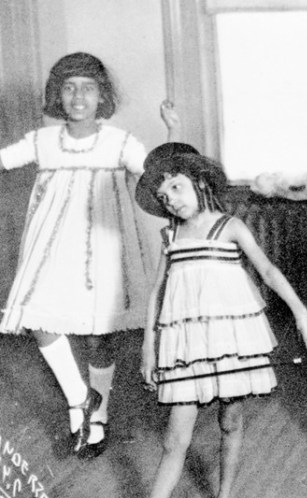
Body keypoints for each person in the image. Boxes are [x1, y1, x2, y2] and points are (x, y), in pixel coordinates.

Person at [91, 143, 307, 498]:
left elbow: (268, 271)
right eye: (163, 197)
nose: (171, 199)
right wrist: (148, 345)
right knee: (175, 441)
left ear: (198, 182)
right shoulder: (170, 236)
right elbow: (158, 291)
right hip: (188, 344)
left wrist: (302, 313)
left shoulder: (229, 226)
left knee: (231, 423)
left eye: (176, 187)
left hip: (232, 338)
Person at [0, 52, 179, 459]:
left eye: (88, 87)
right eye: (68, 87)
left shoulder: (119, 142)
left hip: (105, 252)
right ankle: (79, 398)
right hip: (50, 253)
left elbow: (159, 177)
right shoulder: (42, 141)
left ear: (102, 97)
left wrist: (174, 129)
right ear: (57, 96)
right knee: (37, 318)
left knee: (100, 336)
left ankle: (94, 421)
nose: (78, 95)